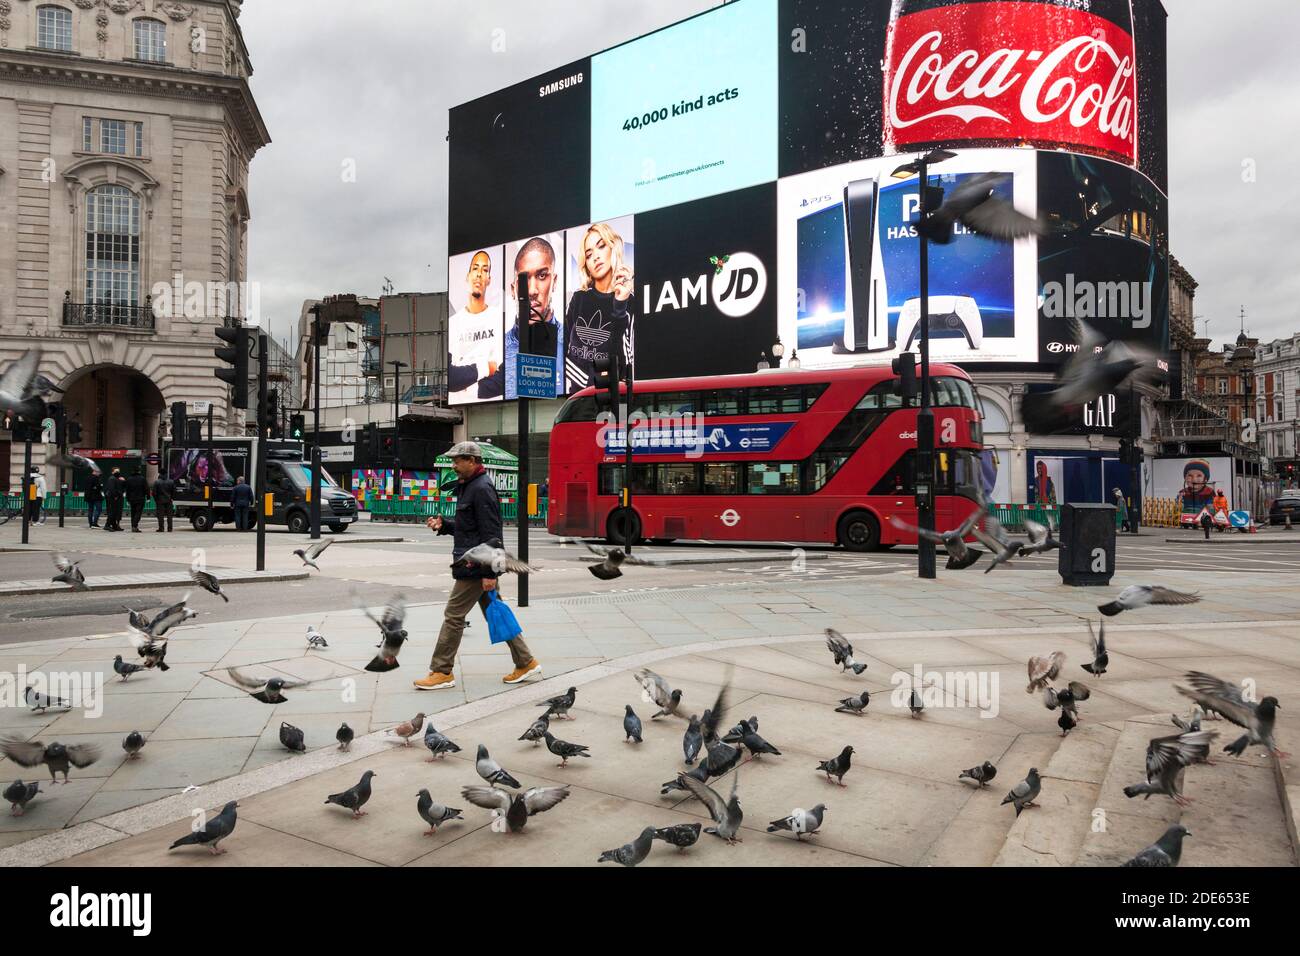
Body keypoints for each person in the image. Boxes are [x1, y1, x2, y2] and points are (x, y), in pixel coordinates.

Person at [413, 441, 541, 690]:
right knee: (494, 610)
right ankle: (526, 661)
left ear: (472, 461)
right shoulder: (469, 486)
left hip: (476, 567)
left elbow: (492, 533)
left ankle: (441, 671)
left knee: (453, 615)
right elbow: (470, 528)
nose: (454, 465)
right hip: (476, 564)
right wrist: (445, 525)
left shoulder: (481, 488)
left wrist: (489, 572)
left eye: (457, 461)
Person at [563, 222, 635, 394]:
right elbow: (562, 348)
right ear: (585, 264)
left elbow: (625, 362)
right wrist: (588, 381)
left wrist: (619, 306)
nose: (595, 257)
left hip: (616, 398)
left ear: (613, 247)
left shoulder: (629, 300)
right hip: (579, 397)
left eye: (601, 246)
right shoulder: (579, 298)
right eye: (589, 255)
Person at [504, 237, 564, 400]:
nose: (532, 290)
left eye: (542, 276)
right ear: (513, 289)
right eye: (524, 279)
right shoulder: (499, 351)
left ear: (555, 281)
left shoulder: (572, 345)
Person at [449, 251, 505, 402]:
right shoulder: (453, 324)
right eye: (475, 268)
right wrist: (487, 367)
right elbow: (451, 378)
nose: (479, 274)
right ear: (468, 276)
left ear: (489, 279)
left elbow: (504, 376)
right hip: (458, 407)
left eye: (485, 270)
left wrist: (467, 385)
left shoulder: (500, 319)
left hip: (496, 404)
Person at [124, 468, 150, 532]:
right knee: (138, 513)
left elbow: (127, 490)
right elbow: (146, 488)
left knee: (133, 513)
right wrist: (148, 497)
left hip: (132, 499)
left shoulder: (129, 479)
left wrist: (127, 499)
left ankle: (133, 526)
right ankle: (135, 526)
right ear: (139, 471)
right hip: (140, 498)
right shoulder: (142, 479)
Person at [104, 467, 126, 532]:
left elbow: (122, 487)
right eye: (116, 471)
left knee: (116, 512)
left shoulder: (117, 479)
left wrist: (123, 481)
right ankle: (107, 525)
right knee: (112, 512)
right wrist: (115, 496)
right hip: (113, 498)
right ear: (112, 472)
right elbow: (112, 489)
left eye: (118, 471)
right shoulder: (112, 479)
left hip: (117, 497)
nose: (118, 472)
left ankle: (114, 525)